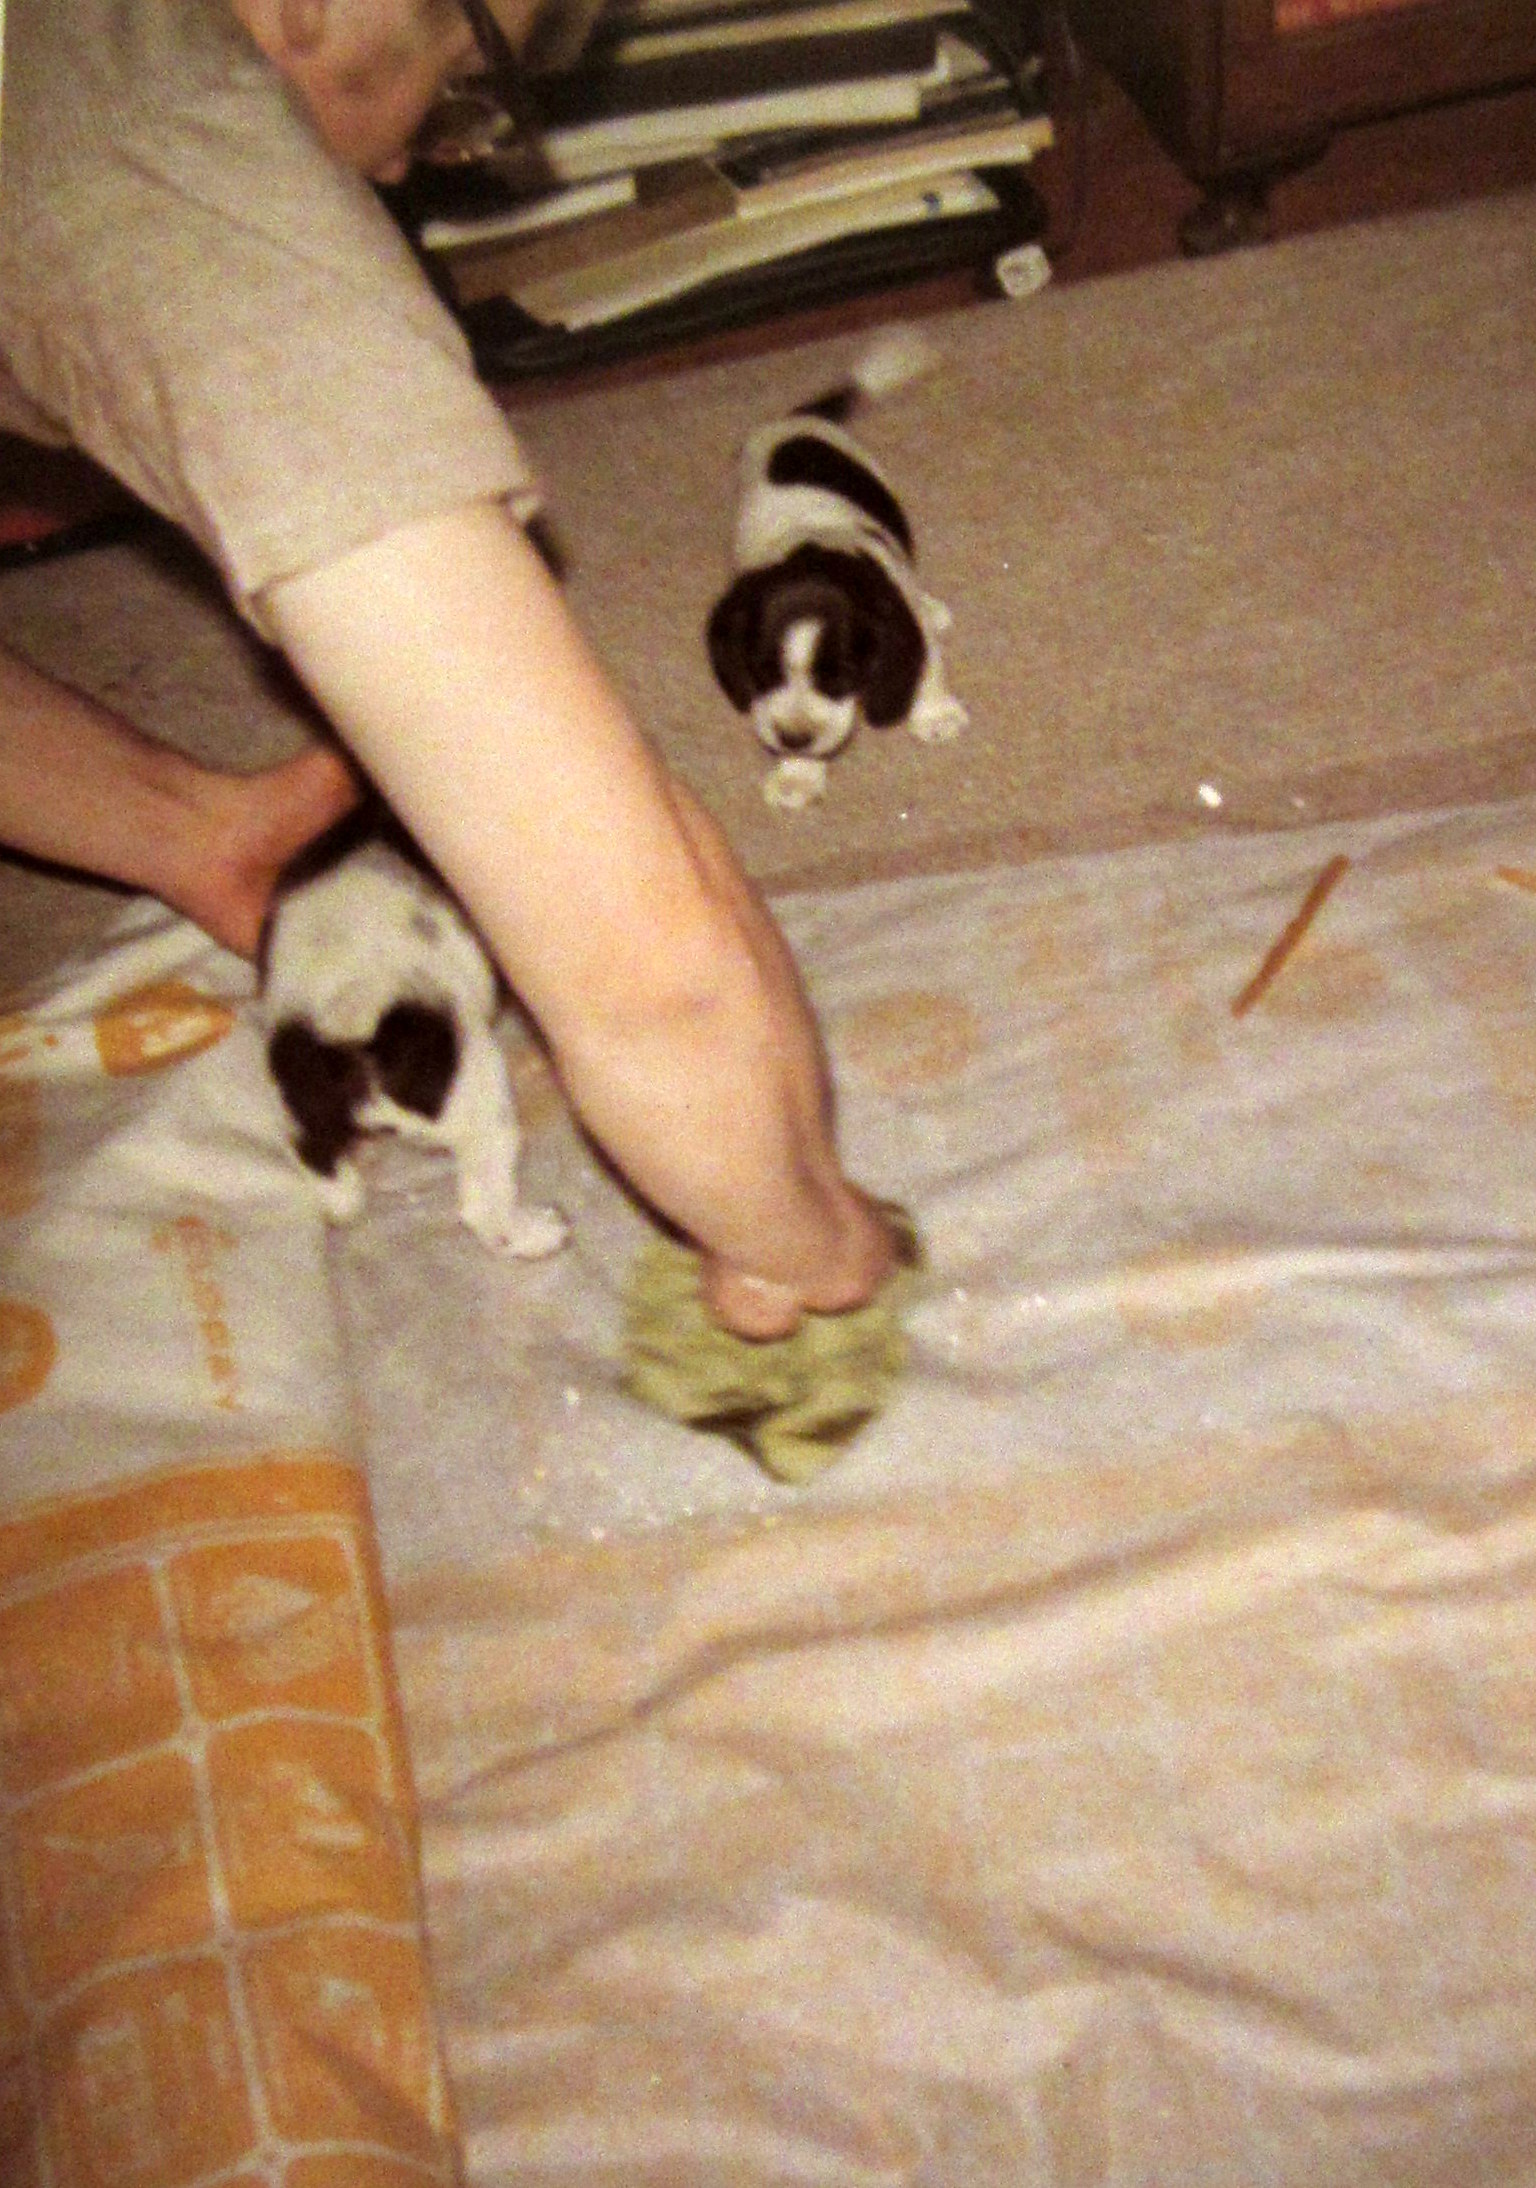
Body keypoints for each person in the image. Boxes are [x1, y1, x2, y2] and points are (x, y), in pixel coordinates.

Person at [0, 0, 899, 1340]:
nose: (420, 156)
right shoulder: (172, 149)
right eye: (464, 74)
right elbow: (648, 974)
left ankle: (195, 831)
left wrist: (188, 835)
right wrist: (809, 1240)